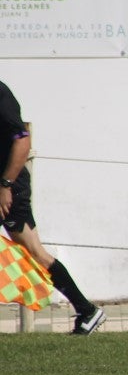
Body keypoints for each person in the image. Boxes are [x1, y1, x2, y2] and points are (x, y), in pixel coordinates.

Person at [0, 80, 105, 335]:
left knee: (35, 252)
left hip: (8, 186)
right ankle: (87, 311)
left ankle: (87, 311)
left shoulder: (1, 95)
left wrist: (5, 186)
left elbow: (22, 141)